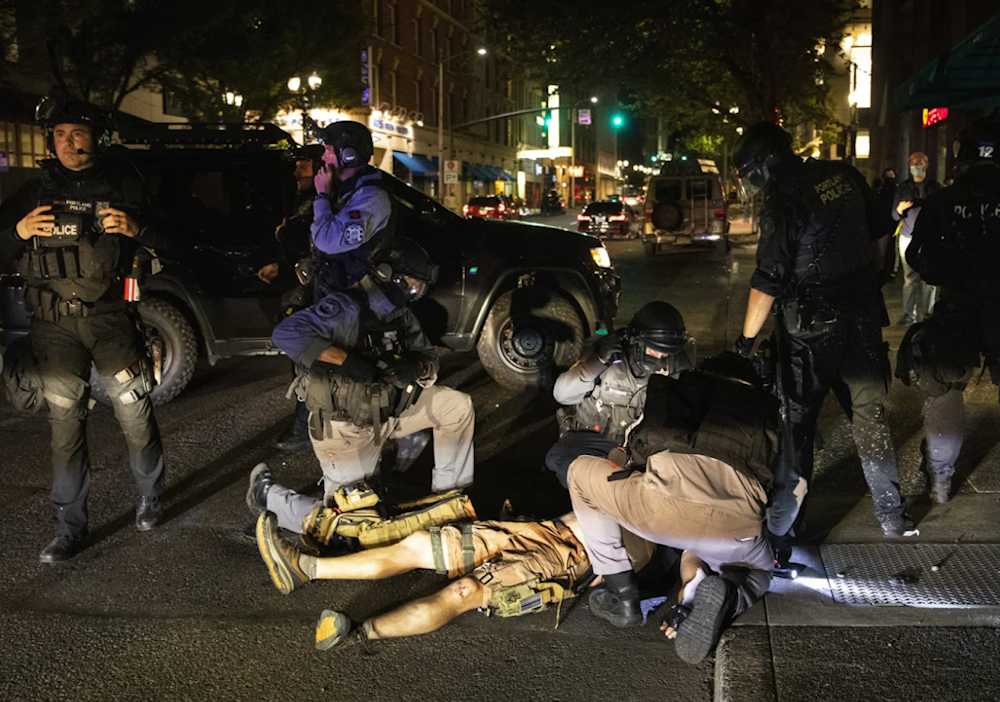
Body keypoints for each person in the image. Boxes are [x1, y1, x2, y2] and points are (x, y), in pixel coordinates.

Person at [0, 94, 167, 562]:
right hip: (53, 326)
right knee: (64, 426)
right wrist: (18, 233)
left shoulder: (125, 186)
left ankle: (151, 496)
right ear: (50, 142)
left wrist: (138, 229)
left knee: (134, 410)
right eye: (59, 135)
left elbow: (176, 241)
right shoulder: (31, 194)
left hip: (112, 319)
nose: (68, 143)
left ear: (96, 138)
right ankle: (70, 527)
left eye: (78, 133)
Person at [730, 122, 911, 549]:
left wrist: (744, 343)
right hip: (861, 317)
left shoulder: (783, 199)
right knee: (870, 416)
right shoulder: (841, 175)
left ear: (765, 164)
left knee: (797, 428)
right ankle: (892, 515)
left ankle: (788, 529)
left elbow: (768, 280)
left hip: (809, 331)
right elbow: (878, 227)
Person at [566, 353, 777, 664]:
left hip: (658, 514)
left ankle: (622, 592)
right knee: (759, 569)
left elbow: (624, 457)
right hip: (735, 530)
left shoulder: (679, 393)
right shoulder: (767, 416)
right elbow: (791, 491)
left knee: (580, 473)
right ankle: (724, 595)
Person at [265, 236, 474, 503]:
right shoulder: (345, 307)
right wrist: (348, 362)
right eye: (413, 283)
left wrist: (417, 368)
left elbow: (429, 354)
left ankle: (448, 499)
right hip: (345, 428)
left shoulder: (401, 313)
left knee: (458, 407)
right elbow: (286, 333)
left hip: (390, 412)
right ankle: (270, 497)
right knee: (350, 521)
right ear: (389, 275)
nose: (417, 291)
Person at [899, 114, 1000, 504]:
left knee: (945, 388)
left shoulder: (944, 199)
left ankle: (940, 481)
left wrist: (941, 271)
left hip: (956, 307)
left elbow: (915, 254)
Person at [545, 301, 690, 487]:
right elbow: (562, 394)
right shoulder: (609, 353)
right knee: (559, 459)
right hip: (595, 439)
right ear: (636, 340)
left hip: (643, 445)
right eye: (654, 350)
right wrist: (597, 361)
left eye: (666, 353)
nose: (661, 358)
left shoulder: (677, 362)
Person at [257, 144, 324, 453]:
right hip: (307, 290)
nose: (296, 172)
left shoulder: (322, 203)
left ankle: (305, 428)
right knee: (302, 360)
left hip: (319, 294)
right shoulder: (306, 201)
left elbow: (306, 242)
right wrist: (281, 266)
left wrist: (286, 232)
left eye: (303, 167)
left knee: (307, 361)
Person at [306, 121, 394, 299]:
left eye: (328, 151)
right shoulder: (348, 191)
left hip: (356, 301)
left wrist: (322, 195)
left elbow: (326, 240)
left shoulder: (371, 198)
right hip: (337, 295)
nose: (324, 158)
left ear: (348, 156)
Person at [893, 152, 942, 325]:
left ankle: (928, 314)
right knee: (909, 278)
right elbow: (893, 215)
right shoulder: (904, 188)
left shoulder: (935, 187)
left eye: (919, 162)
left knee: (929, 278)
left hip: (930, 238)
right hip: (907, 236)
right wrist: (899, 209)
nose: (915, 165)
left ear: (926, 164)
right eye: (912, 162)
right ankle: (909, 314)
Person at [874, 168, 898, 275]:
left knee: (893, 250)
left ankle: (890, 270)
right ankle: (882, 270)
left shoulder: (897, 191)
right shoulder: (880, 191)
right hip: (883, 224)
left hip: (894, 223)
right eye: (888, 176)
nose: (890, 178)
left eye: (892, 175)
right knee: (881, 251)